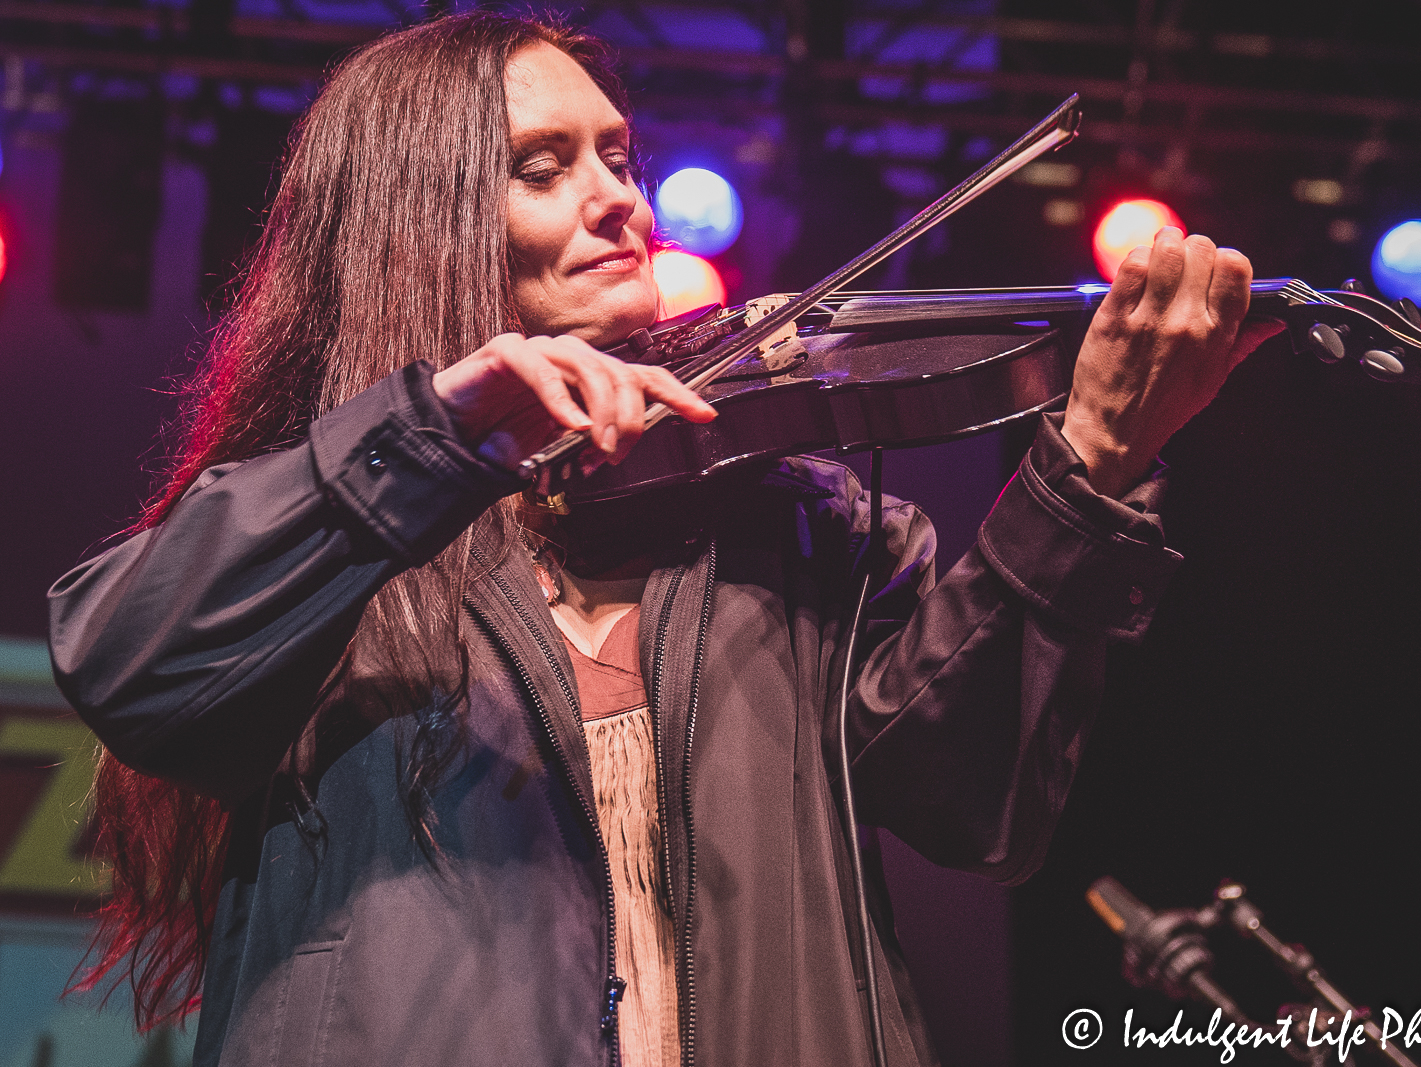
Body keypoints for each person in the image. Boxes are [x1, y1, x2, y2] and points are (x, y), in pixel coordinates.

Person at [48, 11, 1279, 1067]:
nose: (620, 199)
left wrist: (1091, 470)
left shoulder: (792, 522)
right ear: (417, 222)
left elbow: (973, 808)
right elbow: (130, 660)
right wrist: (435, 439)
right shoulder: (329, 521)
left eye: (619, 156)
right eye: (545, 166)